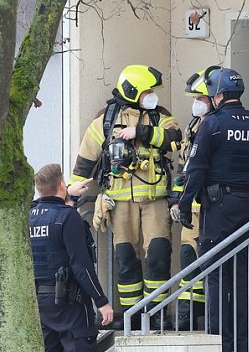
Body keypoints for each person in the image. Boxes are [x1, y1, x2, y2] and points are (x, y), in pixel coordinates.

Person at [70, 65, 182, 329]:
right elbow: (85, 160)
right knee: (126, 258)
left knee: (158, 255)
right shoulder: (106, 120)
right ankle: (132, 314)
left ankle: (157, 313)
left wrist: (141, 133)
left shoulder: (159, 116)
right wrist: (71, 198)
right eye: (146, 91)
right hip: (120, 203)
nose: (151, 95)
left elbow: (175, 139)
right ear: (133, 92)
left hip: (155, 200)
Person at [174, 66, 249, 352]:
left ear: (217, 95)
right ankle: (242, 344)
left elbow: (195, 169)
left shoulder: (212, 124)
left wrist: (183, 205)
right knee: (241, 274)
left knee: (216, 275)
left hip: (218, 208)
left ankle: (219, 344)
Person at [30, 164, 114, 352]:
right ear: (61, 185)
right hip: (71, 304)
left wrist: (70, 196)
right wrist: (102, 302)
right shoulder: (69, 218)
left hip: (40, 305)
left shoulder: (29, 215)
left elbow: (51, 212)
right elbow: (81, 265)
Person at [168, 69, 213, 330]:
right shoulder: (194, 125)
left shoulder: (216, 125)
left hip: (210, 206)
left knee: (207, 259)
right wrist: (177, 200)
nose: (195, 103)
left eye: (200, 97)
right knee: (188, 258)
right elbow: (184, 168)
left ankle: (209, 314)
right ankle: (186, 315)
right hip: (190, 206)